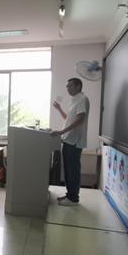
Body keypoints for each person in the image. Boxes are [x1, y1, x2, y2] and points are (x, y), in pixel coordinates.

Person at [52, 77, 90, 206]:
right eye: (67, 86)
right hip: (68, 140)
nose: (67, 88)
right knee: (68, 170)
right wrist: (59, 109)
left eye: (70, 86)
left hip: (74, 141)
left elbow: (80, 120)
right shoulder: (74, 100)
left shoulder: (82, 99)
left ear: (78, 86)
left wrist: (61, 132)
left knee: (73, 170)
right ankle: (70, 195)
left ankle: (73, 199)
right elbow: (68, 118)